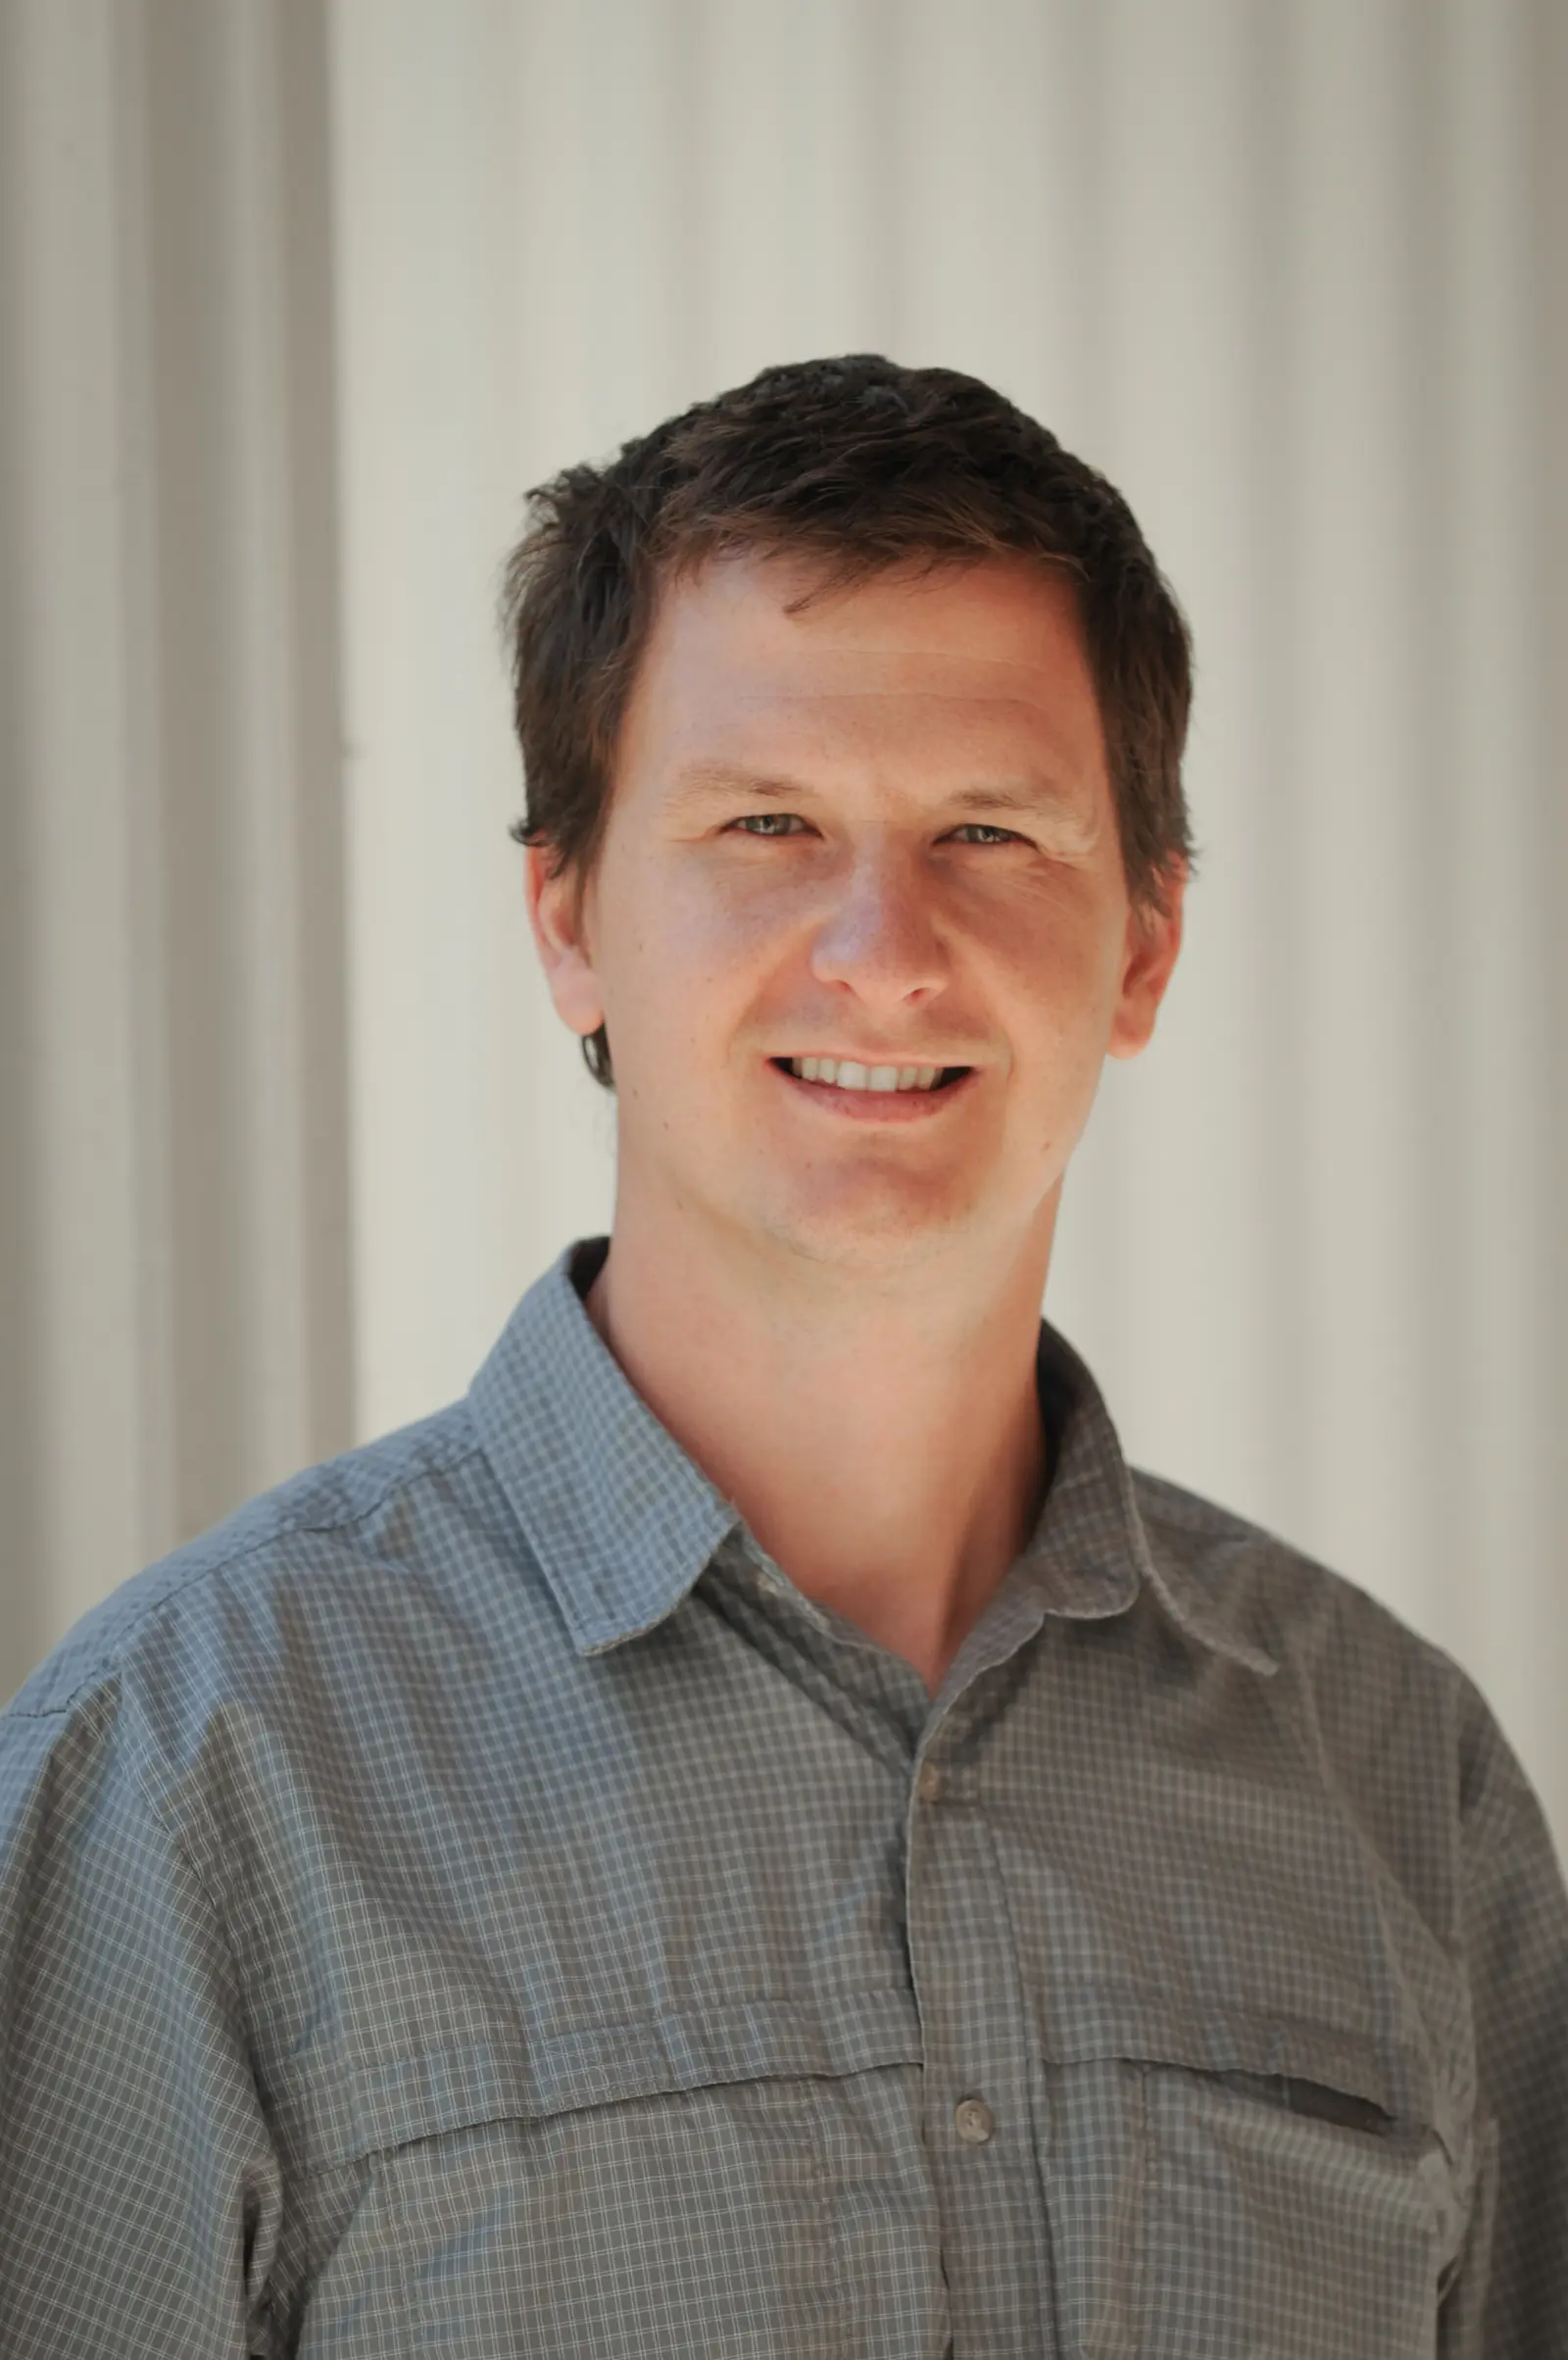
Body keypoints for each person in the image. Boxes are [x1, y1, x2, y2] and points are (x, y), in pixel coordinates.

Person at [1, 356, 1562, 2359]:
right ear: (565, 915)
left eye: (989, 832)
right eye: (764, 820)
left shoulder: (1394, 1786)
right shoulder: (182, 1789)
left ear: (1146, 938)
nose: (881, 946)